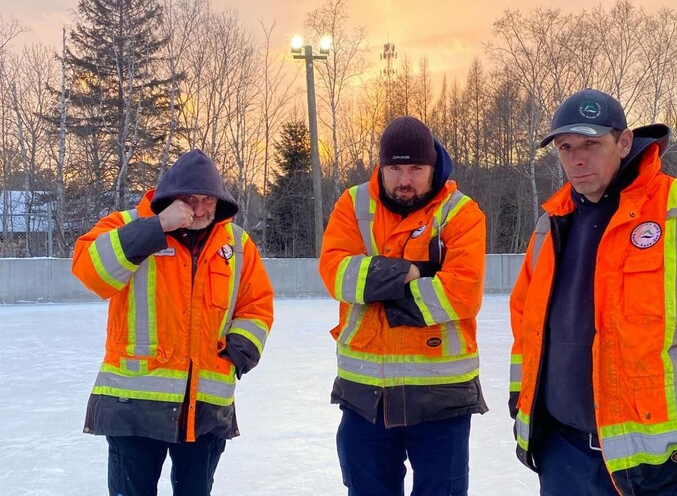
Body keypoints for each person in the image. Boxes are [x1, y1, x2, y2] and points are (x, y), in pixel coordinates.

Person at [509, 89, 677, 496]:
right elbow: (526, 327)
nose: (577, 159)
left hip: (659, 470)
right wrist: (523, 412)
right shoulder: (551, 226)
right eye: (565, 148)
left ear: (625, 141)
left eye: (591, 144)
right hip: (563, 457)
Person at [72, 149, 274, 495]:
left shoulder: (237, 245)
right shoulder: (126, 225)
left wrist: (239, 350)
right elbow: (91, 272)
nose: (198, 209)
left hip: (205, 410)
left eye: (206, 199)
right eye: (189, 199)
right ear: (169, 199)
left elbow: (256, 305)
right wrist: (157, 226)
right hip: (131, 408)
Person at [318, 116, 488, 496]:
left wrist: (378, 289)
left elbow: (462, 292)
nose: (404, 179)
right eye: (395, 168)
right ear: (381, 166)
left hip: (442, 397)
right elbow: (336, 274)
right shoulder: (353, 205)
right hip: (365, 396)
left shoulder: (461, 212)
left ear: (433, 167)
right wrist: (413, 274)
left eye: (416, 168)